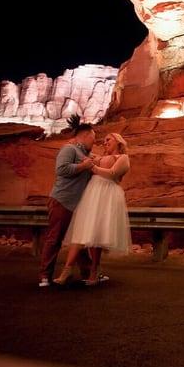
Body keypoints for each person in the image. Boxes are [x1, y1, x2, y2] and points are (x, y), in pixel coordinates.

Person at [54, 133, 132, 286]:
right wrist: (75, 143)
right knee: (82, 229)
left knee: (97, 232)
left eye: (108, 139)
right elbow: (83, 154)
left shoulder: (123, 158)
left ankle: (94, 271)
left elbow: (112, 174)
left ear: (118, 141)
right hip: (93, 193)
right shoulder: (98, 157)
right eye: (104, 141)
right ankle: (67, 269)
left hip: (108, 194)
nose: (105, 143)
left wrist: (94, 168)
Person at [38, 116, 102, 287]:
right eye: (93, 139)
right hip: (62, 200)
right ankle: (45, 276)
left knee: (79, 239)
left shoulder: (86, 154)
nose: (94, 143)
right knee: (55, 238)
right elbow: (61, 169)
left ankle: (88, 273)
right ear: (87, 135)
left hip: (77, 205)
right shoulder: (69, 149)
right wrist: (84, 166)